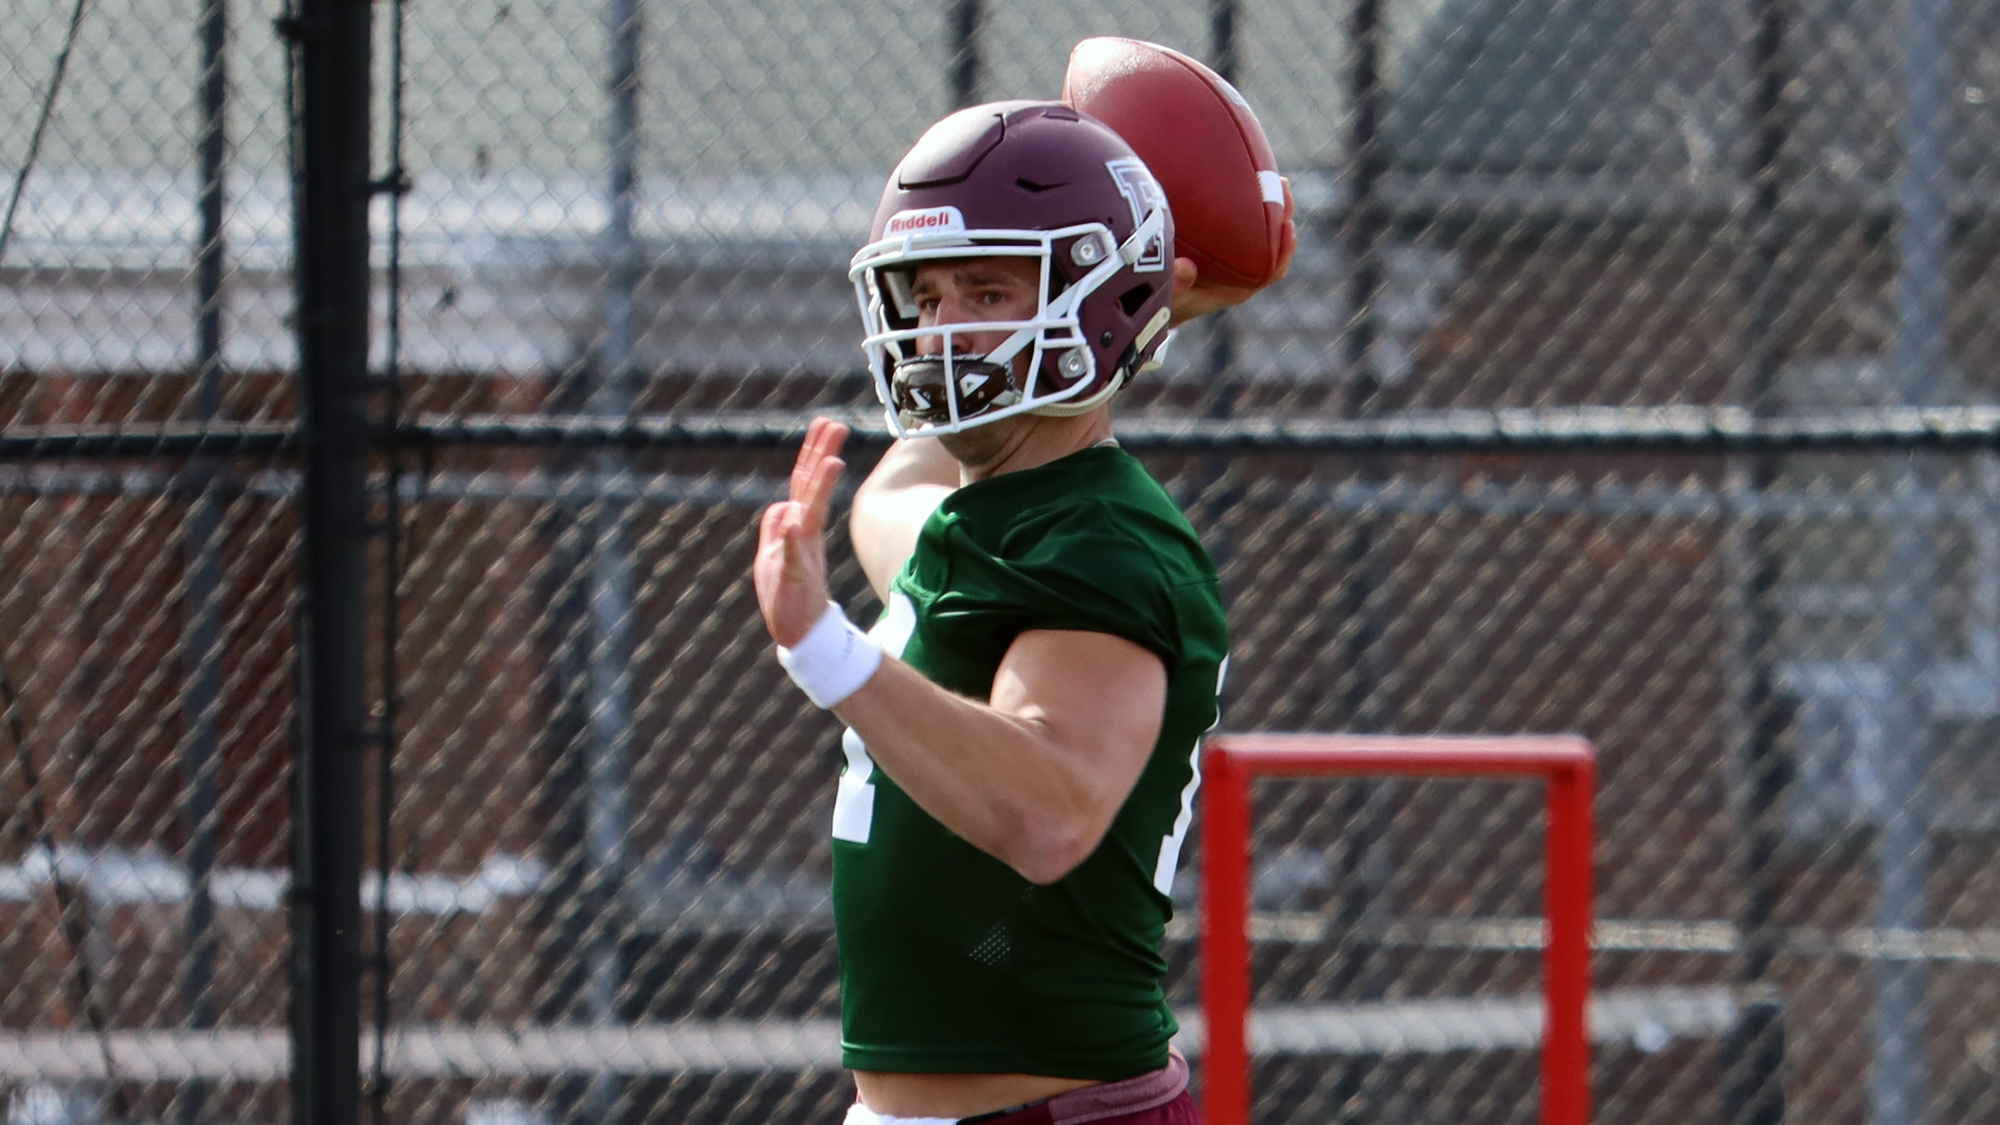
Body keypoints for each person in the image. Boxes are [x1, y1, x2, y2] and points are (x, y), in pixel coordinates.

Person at [753, 100, 1293, 1125]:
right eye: (929, 295)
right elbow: (891, 497)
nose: (945, 330)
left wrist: (826, 650)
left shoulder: (1104, 542)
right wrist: (1142, 300)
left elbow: (1046, 814)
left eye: (989, 290)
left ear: (1093, 299)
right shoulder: (984, 517)